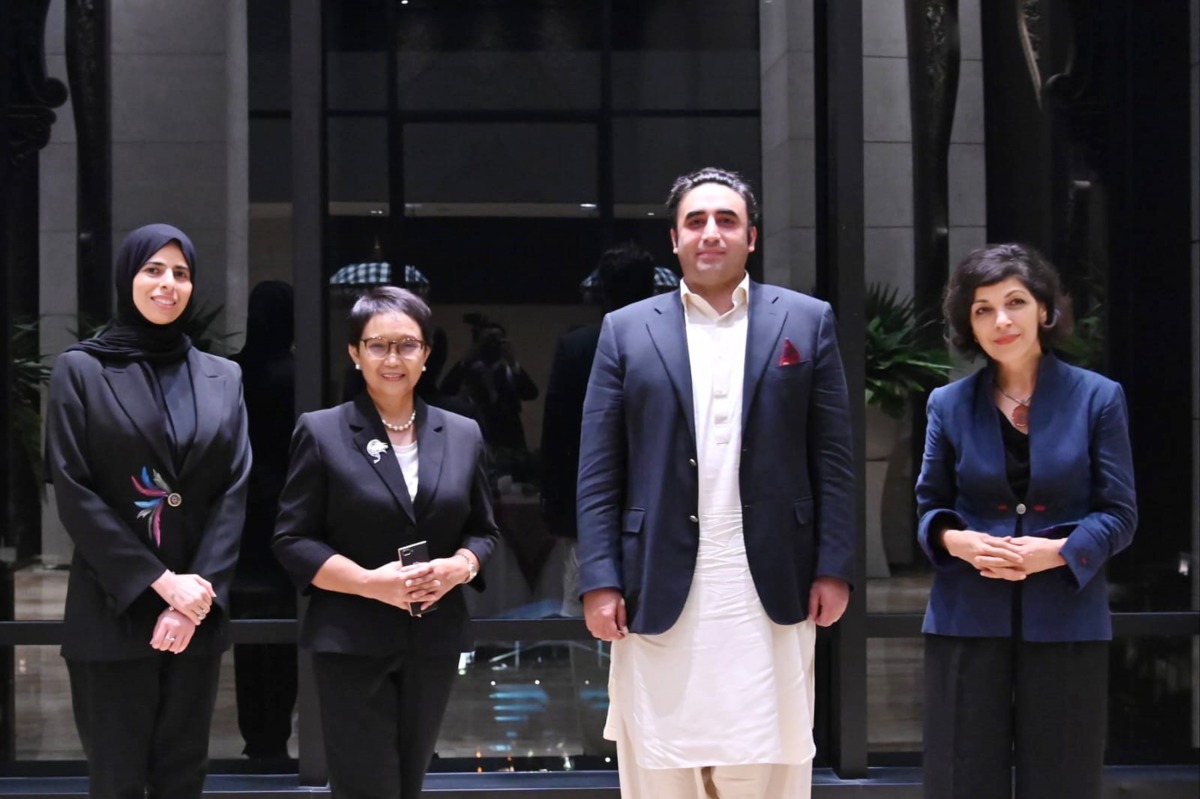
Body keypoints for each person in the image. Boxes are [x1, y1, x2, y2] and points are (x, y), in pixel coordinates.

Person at [577, 167, 856, 798]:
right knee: (661, 762)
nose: (711, 233)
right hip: (658, 577)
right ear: (673, 240)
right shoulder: (626, 329)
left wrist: (834, 565)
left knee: (767, 762)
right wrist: (599, 579)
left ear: (752, 237)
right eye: (695, 222)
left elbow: (834, 457)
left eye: (726, 220)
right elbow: (598, 471)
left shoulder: (806, 321)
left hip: (771, 577)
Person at [916, 243, 1137, 799]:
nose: (1001, 320)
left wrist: (1059, 551)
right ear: (968, 323)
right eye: (982, 308)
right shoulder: (947, 403)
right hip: (966, 614)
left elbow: (1120, 513)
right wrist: (958, 541)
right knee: (961, 777)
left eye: (1015, 302)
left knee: (1063, 777)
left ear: (1044, 309)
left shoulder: (1098, 398)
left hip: (1065, 614)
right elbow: (927, 508)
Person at [44, 223, 250, 799]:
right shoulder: (80, 371)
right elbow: (74, 492)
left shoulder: (223, 377)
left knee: (183, 778)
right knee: (116, 780)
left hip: (197, 618)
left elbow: (234, 491)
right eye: (153, 270)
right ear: (127, 278)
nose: (168, 284)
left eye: (181, 273)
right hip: (114, 611)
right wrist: (163, 586)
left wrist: (194, 599)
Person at [272, 286, 499, 799]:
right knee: (365, 786)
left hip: (433, 639)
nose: (392, 359)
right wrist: (370, 583)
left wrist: (459, 568)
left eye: (407, 345)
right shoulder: (323, 431)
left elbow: (484, 531)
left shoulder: (462, 433)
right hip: (351, 638)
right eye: (377, 345)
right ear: (355, 354)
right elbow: (292, 539)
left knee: (409, 782)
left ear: (426, 354)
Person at [540, 241, 657, 616]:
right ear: (652, 287)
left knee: (582, 603)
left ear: (602, 290)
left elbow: (557, 433)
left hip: (587, 499)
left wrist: (556, 508)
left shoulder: (576, 346)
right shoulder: (669, 342)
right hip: (656, 496)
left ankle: (588, 677)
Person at [229, 280, 298, 761]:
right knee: (285, 633)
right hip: (286, 517)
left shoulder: (230, 373)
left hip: (240, 520)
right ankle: (275, 738)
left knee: (249, 639)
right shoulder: (299, 374)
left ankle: (258, 738)